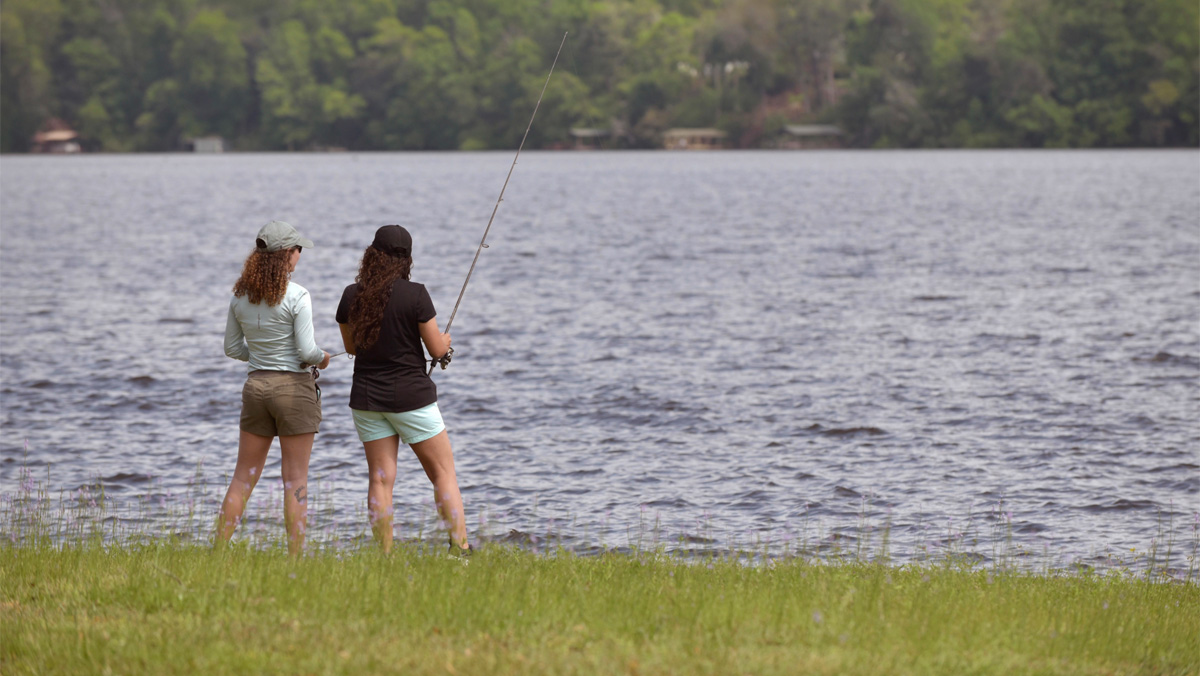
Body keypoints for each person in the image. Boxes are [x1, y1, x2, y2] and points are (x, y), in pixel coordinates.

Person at [336, 224, 471, 556]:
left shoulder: (352, 295)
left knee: (381, 480)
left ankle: (385, 556)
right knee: (443, 474)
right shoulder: (416, 295)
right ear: (407, 259)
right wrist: (446, 346)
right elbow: (437, 350)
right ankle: (461, 551)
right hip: (412, 399)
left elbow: (351, 346)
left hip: (367, 400)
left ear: (372, 255)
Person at [217, 220, 331, 555]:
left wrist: (263, 355)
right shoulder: (298, 295)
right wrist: (323, 359)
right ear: (286, 255)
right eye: (298, 250)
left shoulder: (240, 298)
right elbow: (308, 351)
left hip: (255, 388)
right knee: (295, 479)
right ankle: (295, 558)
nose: (300, 256)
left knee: (242, 478)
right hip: (293, 390)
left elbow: (232, 349)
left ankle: (218, 551)